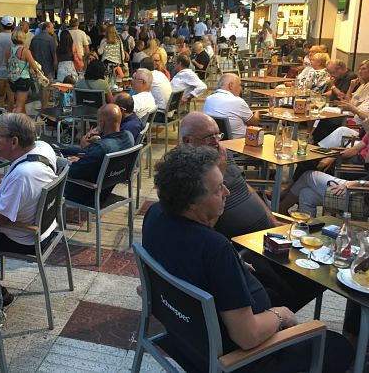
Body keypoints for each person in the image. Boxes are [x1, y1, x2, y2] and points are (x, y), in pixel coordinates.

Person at [143, 145, 352, 373]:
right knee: (340, 346)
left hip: (186, 333)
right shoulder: (215, 248)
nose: (227, 192)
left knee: (300, 279)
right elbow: (247, 337)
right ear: (192, 202)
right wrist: (280, 314)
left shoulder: (156, 214)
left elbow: (183, 258)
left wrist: (232, 268)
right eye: (217, 189)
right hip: (240, 358)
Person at [0, 113, 58, 253]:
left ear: (14, 141)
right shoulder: (44, 148)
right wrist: (7, 183)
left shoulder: (22, 175)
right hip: (46, 228)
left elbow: (0, 216)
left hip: (21, 238)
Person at [64, 104, 134, 206]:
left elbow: (74, 172)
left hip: (88, 193)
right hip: (107, 188)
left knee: (54, 168)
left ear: (101, 122)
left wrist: (70, 162)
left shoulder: (101, 147)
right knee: (68, 150)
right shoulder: (129, 137)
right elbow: (99, 155)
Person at [203, 73, 260, 138]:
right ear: (231, 85)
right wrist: (257, 112)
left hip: (216, 141)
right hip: (239, 142)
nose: (241, 89)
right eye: (239, 85)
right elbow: (254, 123)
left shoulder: (208, 99)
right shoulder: (238, 101)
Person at [5, 28, 41, 114]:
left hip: (11, 79)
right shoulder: (25, 51)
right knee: (20, 105)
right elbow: (35, 67)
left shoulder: (8, 51)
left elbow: (7, 65)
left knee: (17, 104)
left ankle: (23, 122)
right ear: (23, 38)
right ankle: (15, 124)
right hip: (23, 79)